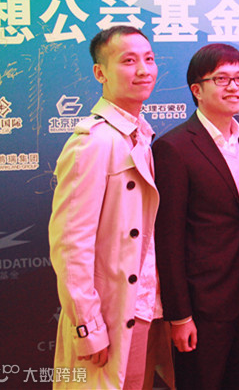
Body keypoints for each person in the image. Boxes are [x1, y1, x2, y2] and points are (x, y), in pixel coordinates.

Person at [48, 25, 173, 389]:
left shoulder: (141, 135)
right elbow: (70, 245)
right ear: (100, 72)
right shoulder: (92, 142)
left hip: (146, 307)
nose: (143, 70)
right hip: (110, 314)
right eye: (128, 61)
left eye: (149, 59)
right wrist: (87, 326)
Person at [153, 44, 239, 389]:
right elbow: (168, 239)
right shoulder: (174, 148)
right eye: (222, 79)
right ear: (197, 90)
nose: (234, 87)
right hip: (202, 306)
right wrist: (179, 315)